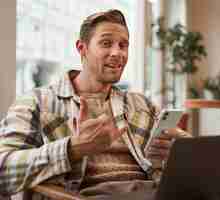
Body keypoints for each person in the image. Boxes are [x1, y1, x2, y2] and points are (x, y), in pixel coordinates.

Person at [0, 9, 190, 199]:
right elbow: (3, 171)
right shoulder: (37, 102)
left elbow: (162, 164)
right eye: (106, 43)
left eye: (123, 45)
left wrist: (178, 151)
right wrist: (73, 149)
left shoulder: (141, 104)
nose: (117, 53)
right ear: (82, 49)